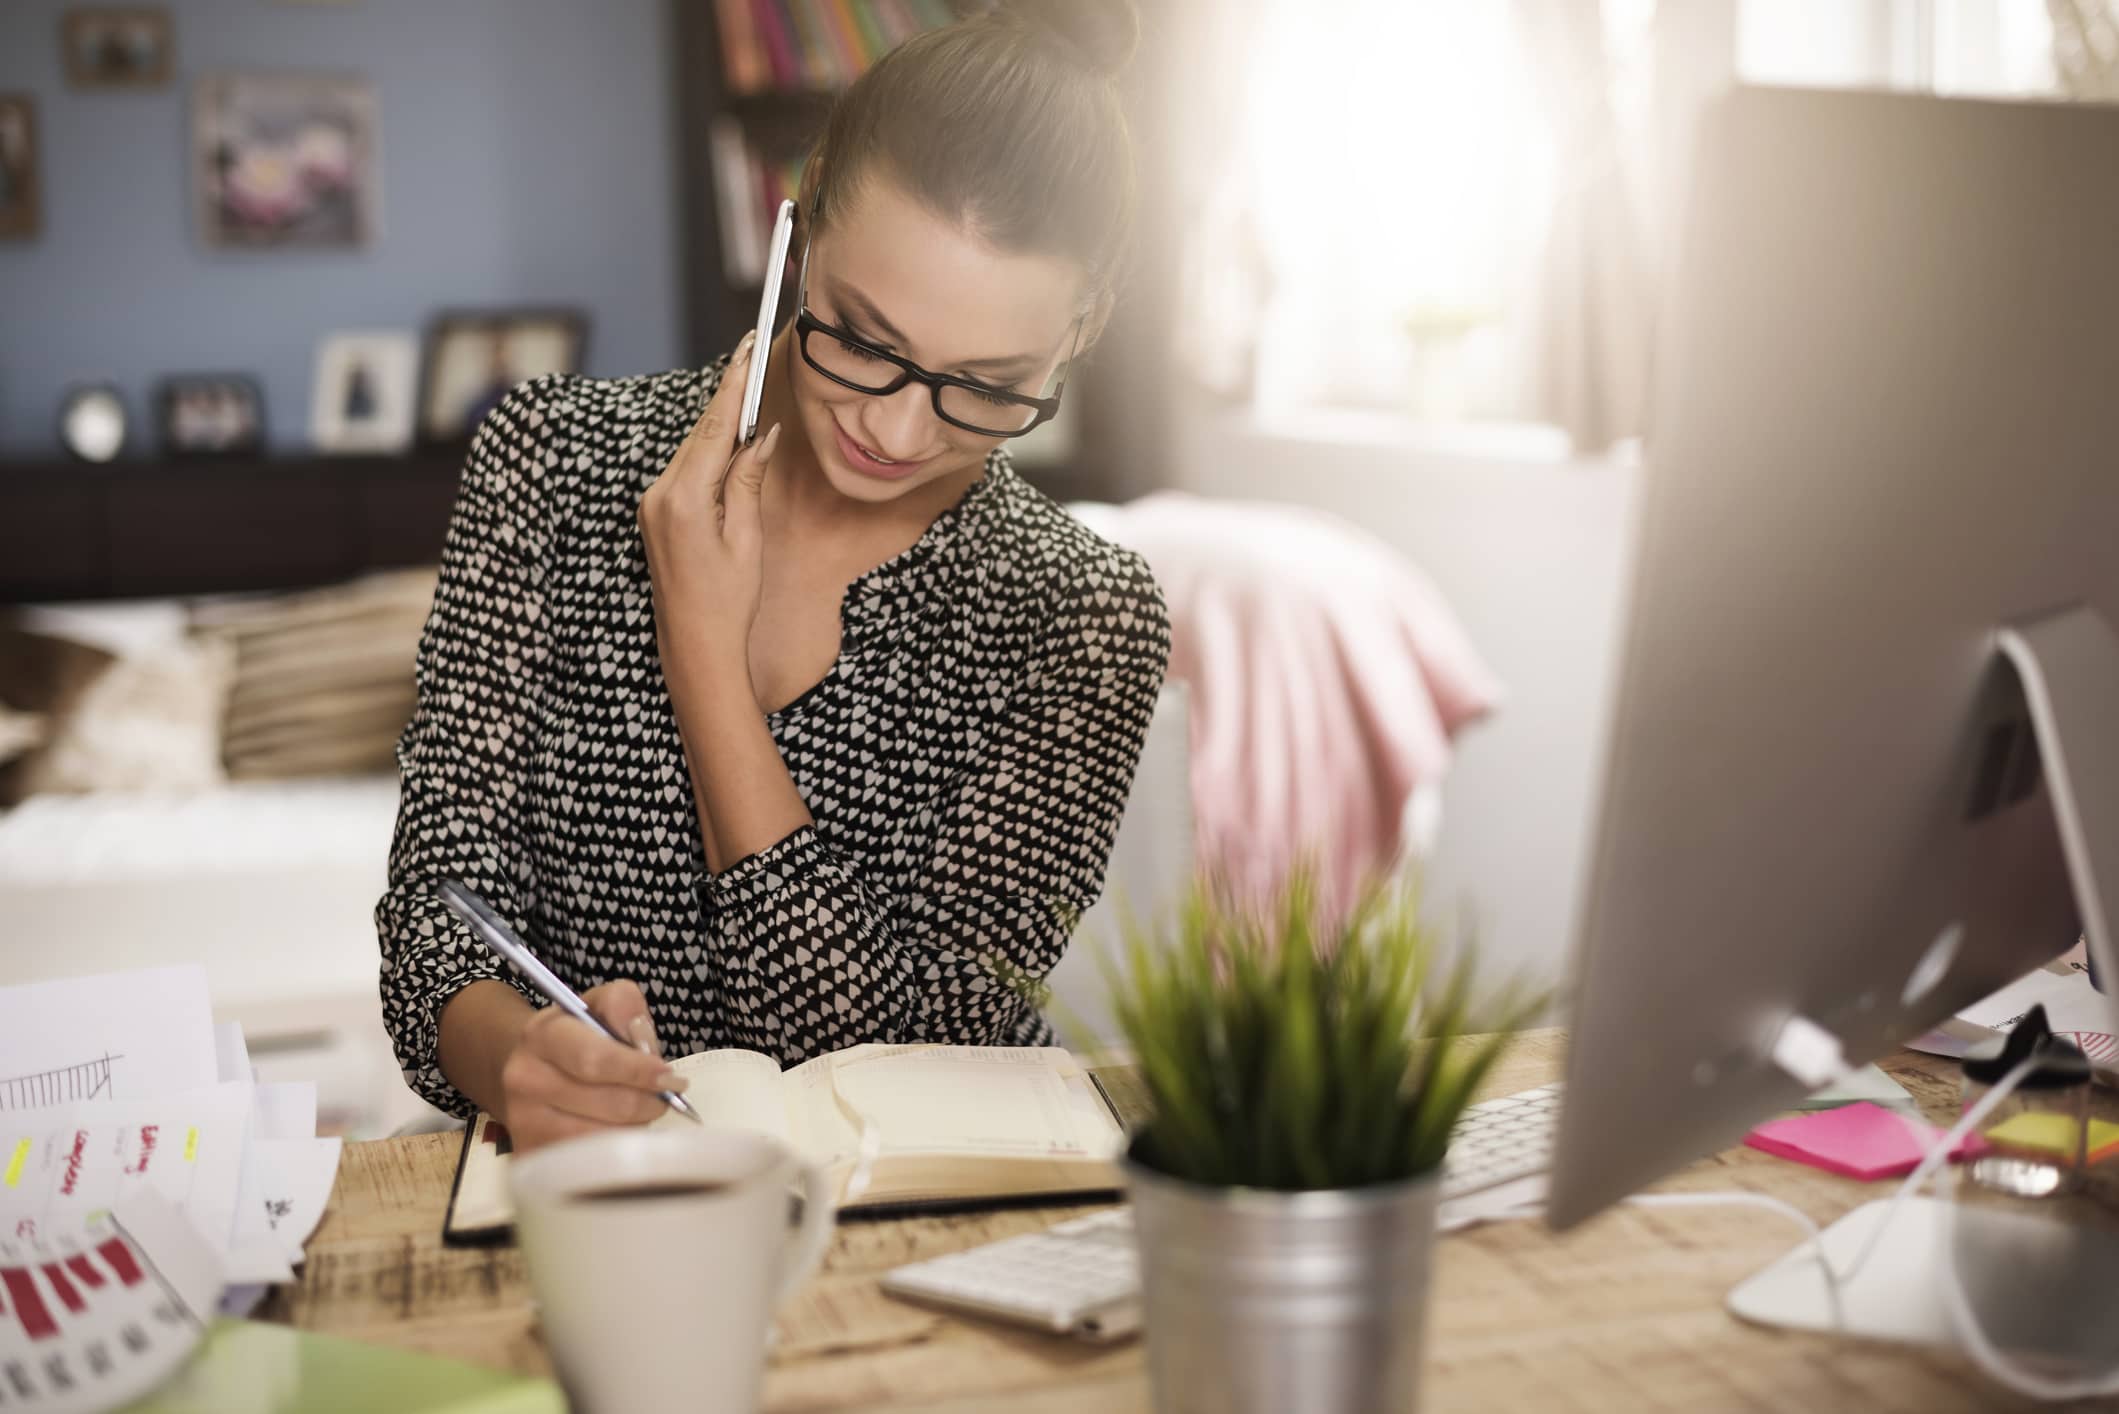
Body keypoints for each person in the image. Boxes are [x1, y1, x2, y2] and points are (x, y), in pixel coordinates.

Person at [376, 0, 1169, 1151]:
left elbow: (909, 1061)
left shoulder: (1080, 615)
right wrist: (515, 1061)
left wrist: (704, 660)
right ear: (795, 228)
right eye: (862, 334)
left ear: (1081, 329)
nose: (897, 433)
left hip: (908, 1242)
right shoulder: (548, 460)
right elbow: (438, 915)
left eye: (989, 385)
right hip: (582, 1202)